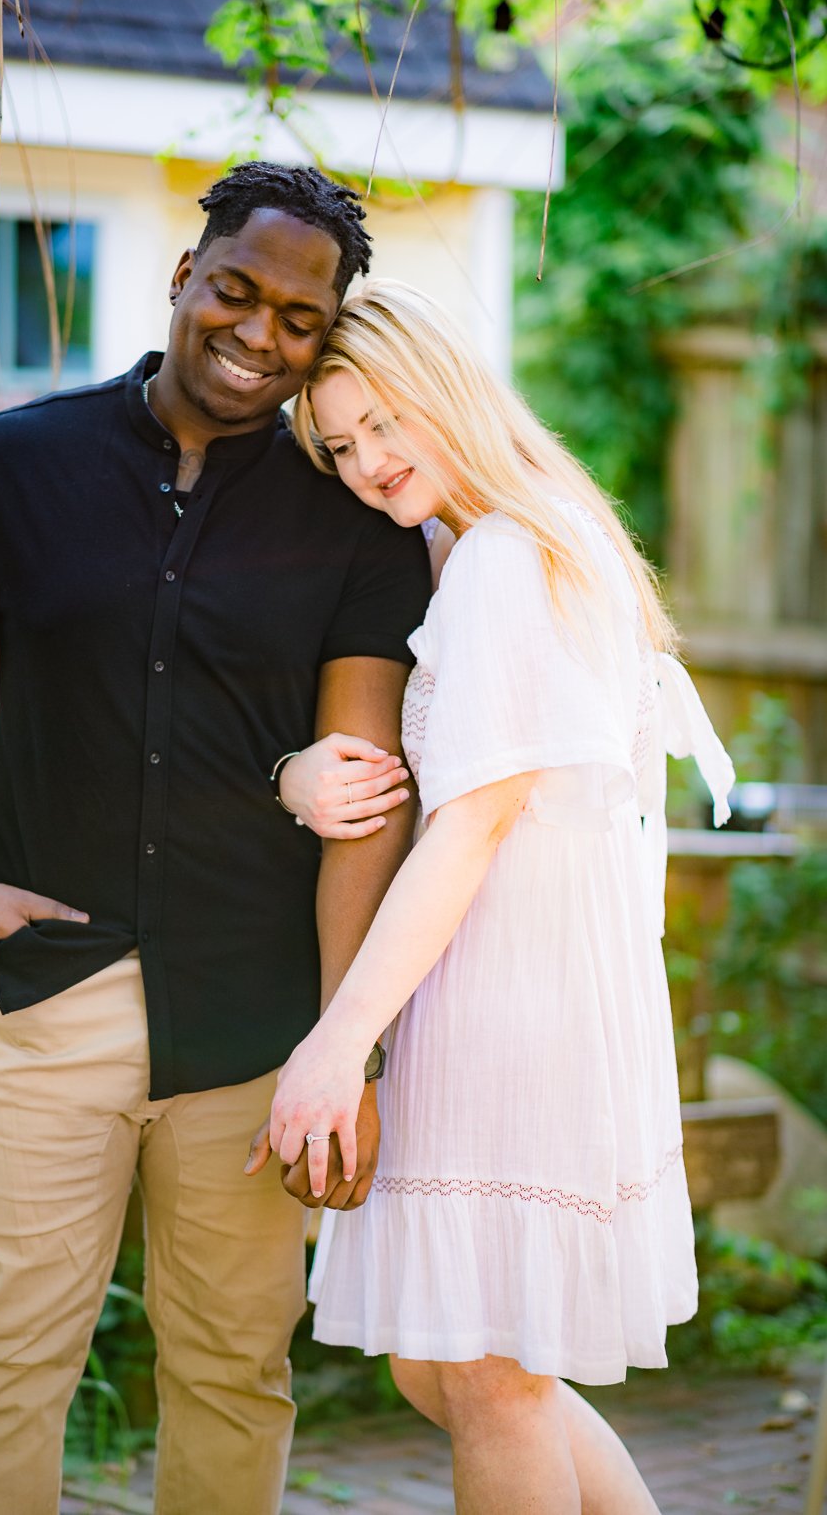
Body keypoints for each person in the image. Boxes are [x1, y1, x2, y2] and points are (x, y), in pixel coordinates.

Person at [0, 168, 432, 1515]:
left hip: (254, 1027)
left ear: (327, 333)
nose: (258, 333)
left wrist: (337, 1051)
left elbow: (365, 794)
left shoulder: (354, 516)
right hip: (41, 995)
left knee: (235, 1371)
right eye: (237, 290)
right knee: (1, 1364)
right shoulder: (4, 468)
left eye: (301, 319)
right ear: (186, 273)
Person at [253, 279, 735, 1514]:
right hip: (513, 985)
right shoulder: (492, 540)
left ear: (448, 386)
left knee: (487, 1377)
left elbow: (471, 823)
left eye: (384, 423)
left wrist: (334, 1045)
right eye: (343, 444)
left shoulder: (504, 563)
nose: (368, 461)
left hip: (515, 1001)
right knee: (450, 1365)